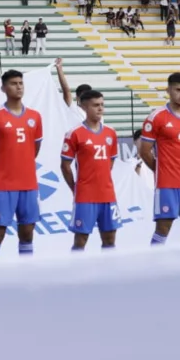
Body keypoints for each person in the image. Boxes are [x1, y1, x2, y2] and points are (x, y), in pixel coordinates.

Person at [0, 70, 44, 257]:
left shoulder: (35, 116)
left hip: (29, 184)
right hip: (3, 185)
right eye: (14, 83)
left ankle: (26, 276)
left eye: (21, 83)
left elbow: (35, 148)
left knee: (27, 233)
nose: (19, 86)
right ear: (4, 88)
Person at [137, 72, 180, 244]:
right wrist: (160, 168)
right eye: (178, 90)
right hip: (167, 183)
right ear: (168, 90)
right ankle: (157, 266)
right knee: (163, 228)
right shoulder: (156, 117)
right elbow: (145, 151)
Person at [61, 90, 120, 251]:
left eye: (102, 105)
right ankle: (76, 274)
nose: (100, 108)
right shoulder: (74, 134)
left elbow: (111, 160)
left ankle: (107, 274)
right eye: (95, 105)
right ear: (84, 107)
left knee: (109, 239)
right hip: (85, 196)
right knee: (81, 240)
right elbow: (65, 165)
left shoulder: (111, 133)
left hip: (107, 194)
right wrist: (75, 188)